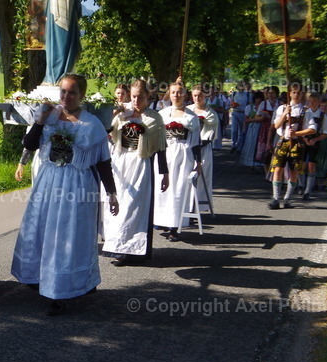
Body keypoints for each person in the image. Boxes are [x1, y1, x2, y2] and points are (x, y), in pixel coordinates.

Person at [12, 74, 119, 315]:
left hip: (76, 185)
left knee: (66, 236)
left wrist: (112, 193)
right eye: (63, 91)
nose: (66, 96)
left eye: (72, 92)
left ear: (82, 95)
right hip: (49, 181)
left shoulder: (91, 125)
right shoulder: (49, 118)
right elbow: (30, 144)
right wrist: (39, 121)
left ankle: (62, 289)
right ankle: (41, 278)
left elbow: (103, 163)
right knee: (42, 231)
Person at [101, 79, 169, 265]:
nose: (136, 100)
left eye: (140, 97)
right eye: (133, 96)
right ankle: (116, 246)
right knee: (117, 204)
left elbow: (161, 147)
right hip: (120, 161)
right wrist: (114, 114)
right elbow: (106, 131)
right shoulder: (123, 113)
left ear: (148, 96)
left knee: (134, 207)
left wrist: (165, 174)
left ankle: (133, 248)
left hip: (140, 164)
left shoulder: (154, 118)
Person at [154, 81, 202, 241]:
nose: (176, 95)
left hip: (182, 155)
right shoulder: (163, 114)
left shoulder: (191, 117)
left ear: (185, 95)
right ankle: (163, 221)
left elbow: (196, 142)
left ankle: (175, 226)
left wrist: (198, 163)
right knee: (163, 189)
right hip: (164, 154)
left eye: (180, 92)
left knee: (178, 189)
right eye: (173, 92)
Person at [268, 81, 313, 209]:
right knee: (278, 168)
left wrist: (297, 133)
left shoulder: (306, 111)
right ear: (290, 93)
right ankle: (276, 198)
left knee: (294, 171)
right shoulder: (281, 108)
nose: (296, 95)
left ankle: (287, 198)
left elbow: (312, 129)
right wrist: (284, 113)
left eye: (299, 93)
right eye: (294, 92)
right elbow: (276, 125)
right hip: (283, 141)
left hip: (296, 144)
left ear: (302, 94)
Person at [44, 0, 81, 84]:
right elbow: (78, 10)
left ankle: (51, 77)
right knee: (66, 50)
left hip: (52, 26)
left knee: (52, 50)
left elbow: (46, 10)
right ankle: (63, 76)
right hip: (69, 27)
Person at [190, 85, 219, 211]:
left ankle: (199, 206)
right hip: (189, 148)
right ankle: (187, 205)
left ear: (205, 96)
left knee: (201, 177)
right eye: (195, 95)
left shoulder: (210, 113)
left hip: (203, 148)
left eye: (200, 95)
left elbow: (210, 134)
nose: (197, 98)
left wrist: (198, 145)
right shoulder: (188, 110)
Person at [300, 91, 327, 199]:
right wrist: (304, 139)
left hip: (315, 142)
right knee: (301, 164)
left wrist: (316, 139)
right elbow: (300, 128)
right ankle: (300, 185)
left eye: (314, 101)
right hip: (303, 140)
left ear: (318, 102)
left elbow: (326, 132)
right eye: (310, 101)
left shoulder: (322, 116)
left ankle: (307, 191)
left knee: (311, 165)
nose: (312, 103)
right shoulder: (304, 113)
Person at [239, 90, 266, 169]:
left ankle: (259, 162)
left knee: (259, 145)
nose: (258, 100)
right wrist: (244, 129)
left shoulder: (263, 107)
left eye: (260, 99)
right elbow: (246, 120)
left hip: (261, 128)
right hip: (252, 129)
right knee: (250, 144)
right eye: (257, 99)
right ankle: (250, 162)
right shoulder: (249, 107)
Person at [229, 81, 252, 151]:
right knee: (234, 130)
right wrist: (233, 105)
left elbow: (250, 104)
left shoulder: (248, 95)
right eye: (240, 85)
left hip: (243, 113)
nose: (241, 87)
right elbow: (231, 103)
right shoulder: (234, 94)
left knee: (242, 131)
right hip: (235, 112)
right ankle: (233, 144)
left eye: (243, 86)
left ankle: (239, 146)